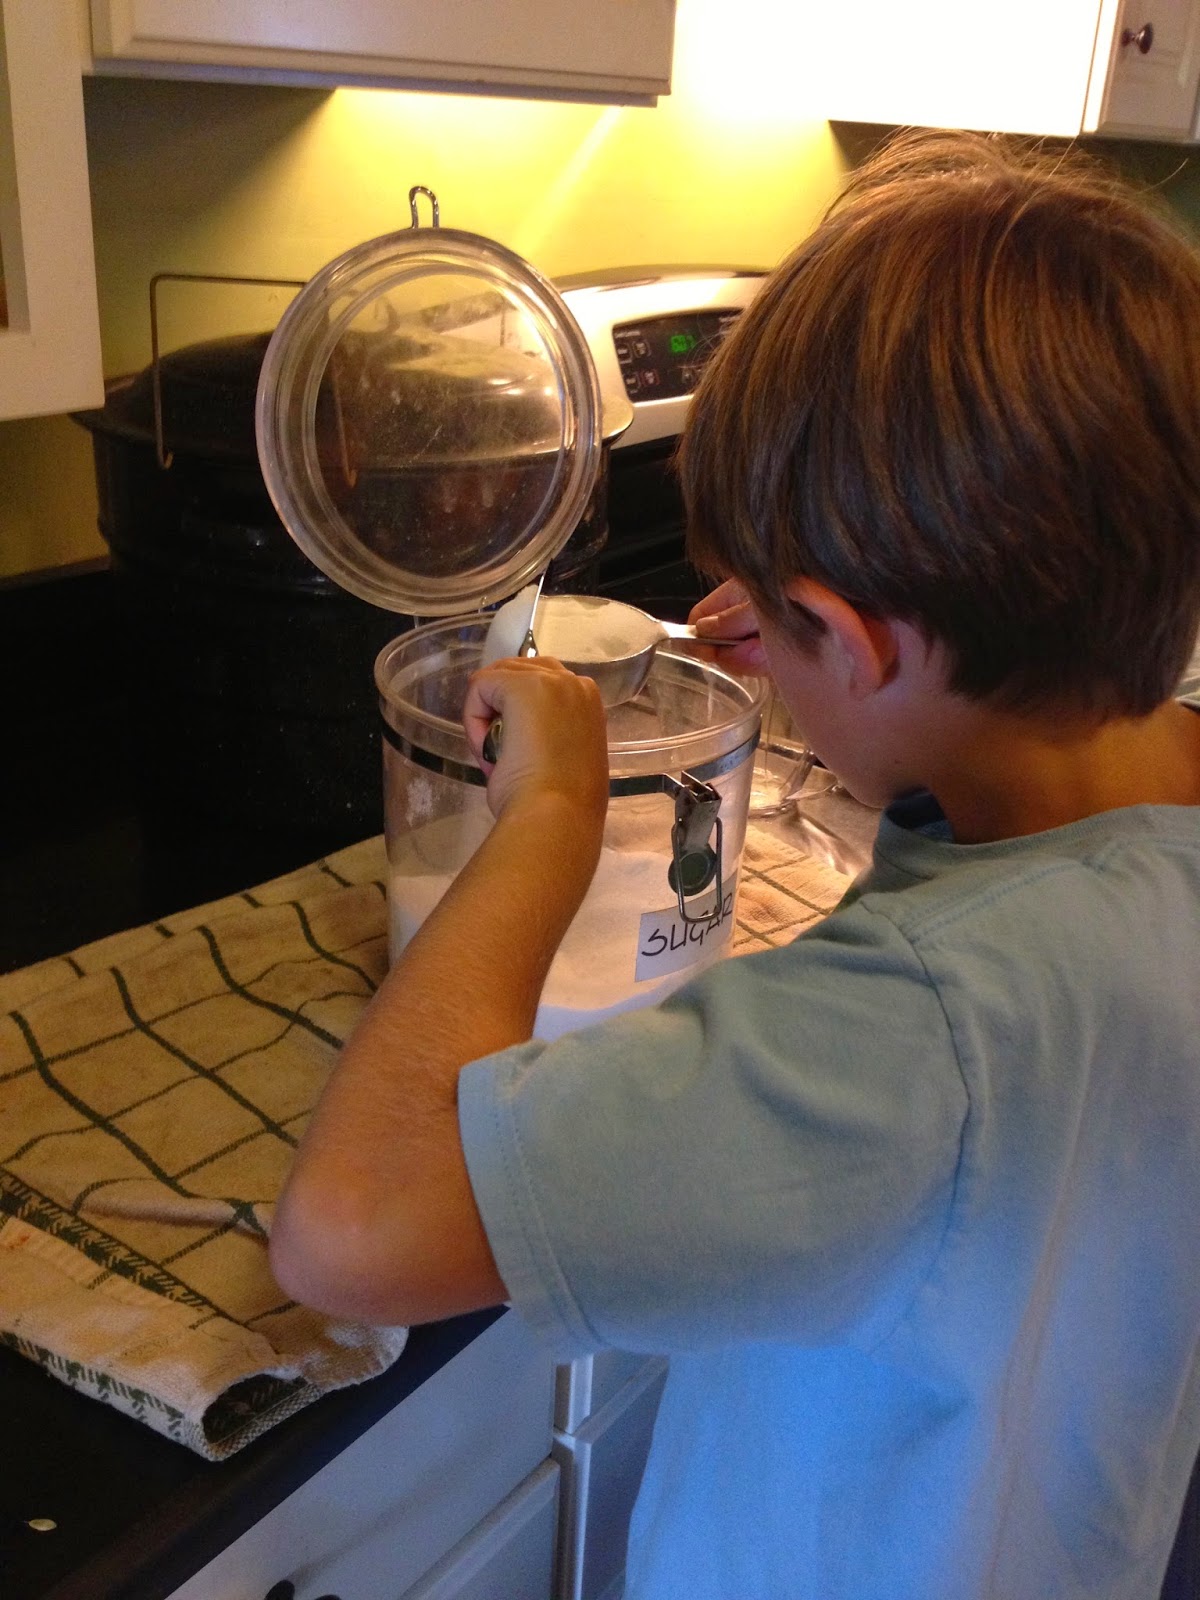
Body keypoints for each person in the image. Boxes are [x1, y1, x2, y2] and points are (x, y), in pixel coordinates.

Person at [269, 130, 1200, 1599]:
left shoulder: (916, 1026)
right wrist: (827, 633)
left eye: (778, 612)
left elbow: (349, 1233)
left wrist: (555, 814)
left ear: (858, 638)